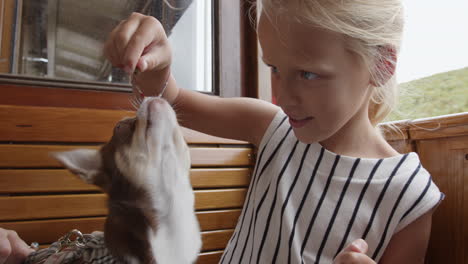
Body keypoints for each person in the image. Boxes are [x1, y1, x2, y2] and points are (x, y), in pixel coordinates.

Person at [1, 0, 443, 263]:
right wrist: (156, 56)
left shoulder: (410, 196)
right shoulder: (273, 128)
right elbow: (169, 99)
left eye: (307, 74)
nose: (283, 95)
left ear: (381, 65)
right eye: (273, 68)